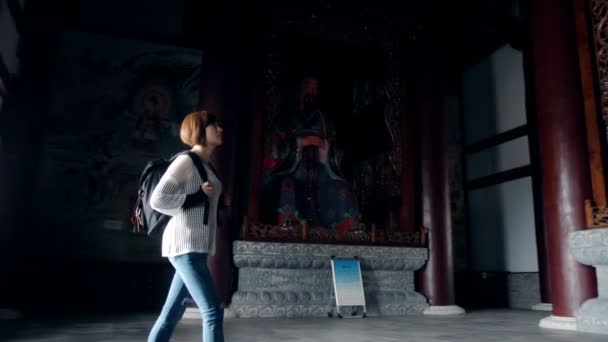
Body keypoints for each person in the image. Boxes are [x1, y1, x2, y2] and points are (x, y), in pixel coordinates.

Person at [148, 110, 224, 342]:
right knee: (212, 310)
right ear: (200, 129)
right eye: (214, 125)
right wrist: (196, 197)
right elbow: (158, 199)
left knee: (171, 314)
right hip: (185, 247)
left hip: (194, 248)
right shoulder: (185, 161)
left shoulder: (206, 166)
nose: (220, 129)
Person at [268, 76, 364, 231]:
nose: (311, 92)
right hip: (293, 170)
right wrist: (300, 143)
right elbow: (276, 147)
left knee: (343, 188)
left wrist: (325, 147)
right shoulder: (286, 118)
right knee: (286, 186)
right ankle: (289, 227)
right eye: (308, 88)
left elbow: (335, 148)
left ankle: (348, 228)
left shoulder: (324, 119)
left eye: (315, 89)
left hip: (321, 171)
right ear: (300, 89)